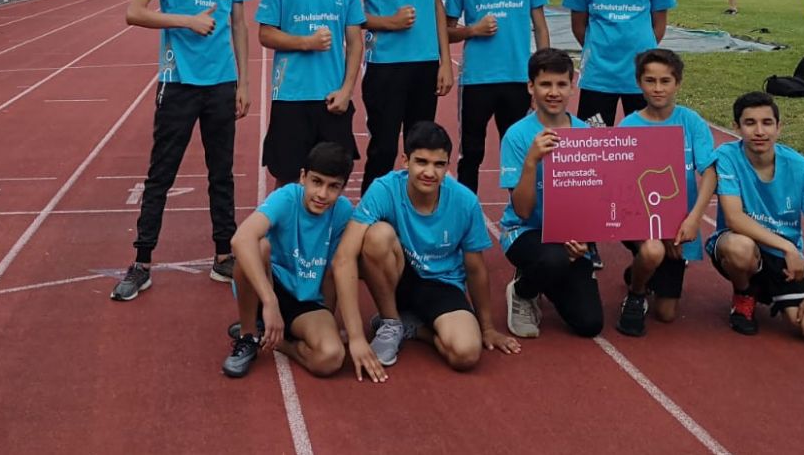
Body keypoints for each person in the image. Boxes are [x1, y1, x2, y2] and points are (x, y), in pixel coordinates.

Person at [112, 0, 252, 301]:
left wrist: (245, 81)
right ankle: (142, 262)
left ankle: (223, 254)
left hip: (222, 82)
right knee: (161, 173)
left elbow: (239, 24)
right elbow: (134, 14)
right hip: (177, 82)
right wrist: (187, 21)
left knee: (221, 173)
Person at [331, 121, 520, 382]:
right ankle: (391, 321)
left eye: (439, 165)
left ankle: (416, 327)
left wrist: (487, 328)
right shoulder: (384, 189)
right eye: (421, 162)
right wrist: (356, 339)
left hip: (442, 283)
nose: (429, 172)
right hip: (398, 276)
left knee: (465, 355)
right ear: (405, 161)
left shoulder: (465, 201)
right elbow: (343, 257)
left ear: (447, 166)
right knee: (377, 236)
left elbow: (475, 268)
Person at [564, 0, 676, 268]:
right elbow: (579, 24)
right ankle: (590, 237)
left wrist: (643, 58)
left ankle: (644, 233)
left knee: (645, 159)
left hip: (641, 83)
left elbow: (658, 23)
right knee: (593, 159)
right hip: (598, 79)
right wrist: (602, 50)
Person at [343, 0, 453, 195]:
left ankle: (415, 217)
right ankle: (370, 219)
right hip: (384, 67)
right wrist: (388, 22)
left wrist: (445, 62)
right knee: (384, 149)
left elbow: (436, 5)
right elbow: (346, 13)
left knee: (421, 151)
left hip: (425, 64)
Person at [705, 91, 804, 342]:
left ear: (779, 127)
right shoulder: (726, 157)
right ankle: (744, 293)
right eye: (750, 123)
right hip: (744, 245)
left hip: (784, 262)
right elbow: (734, 218)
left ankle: (777, 293)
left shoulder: (801, 168)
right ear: (736, 127)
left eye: (767, 123)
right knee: (739, 248)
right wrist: (788, 247)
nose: (759, 131)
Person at [221, 142, 354, 378]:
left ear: (343, 188)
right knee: (257, 246)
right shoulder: (286, 197)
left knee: (331, 357)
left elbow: (337, 268)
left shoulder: (343, 212)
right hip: (271, 285)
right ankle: (249, 335)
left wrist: (329, 322)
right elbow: (240, 239)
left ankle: (279, 342)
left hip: (306, 300)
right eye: (317, 182)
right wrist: (270, 302)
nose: (323, 194)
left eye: (333, 186)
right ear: (303, 177)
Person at [256, 0, 364, 187]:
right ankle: (286, 232)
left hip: (331, 99)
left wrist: (346, 91)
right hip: (291, 96)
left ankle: (327, 233)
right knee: (288, 177)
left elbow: (355, 42)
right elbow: (265, 34)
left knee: (332, 178)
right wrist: (306, 42)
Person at [499, 48, 603, 339]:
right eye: (545, 84)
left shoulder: (587, 135)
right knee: (553, 259)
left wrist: (585, 239)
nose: (554, 92)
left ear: (573, 85)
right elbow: (521, 210)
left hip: (569, 235)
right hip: (525, 231)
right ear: (531, 87)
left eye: (561, 84)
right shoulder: (518, 136)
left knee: (589, 323)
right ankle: (523, 291)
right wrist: (532, 160)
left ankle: (548, 276)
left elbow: (596, 200)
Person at [445, 0, 550, 193]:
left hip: (517, 78)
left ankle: (520, 216)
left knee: (517, 151)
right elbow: (446, 32)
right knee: (472, 154)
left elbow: (540, 26)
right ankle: (466, 218)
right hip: (478, 80)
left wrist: (541, 74)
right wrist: (473, 30)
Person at [615, 48, 717, 336]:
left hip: (679, 223)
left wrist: (693, 218)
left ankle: (640, 270)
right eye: (650, 81)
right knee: (653, 249)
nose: (657, 88)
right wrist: (658, 232)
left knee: (666, 314)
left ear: (678, 83)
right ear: (639, 83)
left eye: (665, 81)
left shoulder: (691, 122)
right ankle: (636, 293)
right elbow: (621, 185)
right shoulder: (628, 126)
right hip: (639, 220)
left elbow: (709, 172)